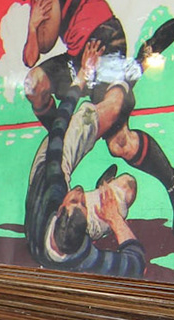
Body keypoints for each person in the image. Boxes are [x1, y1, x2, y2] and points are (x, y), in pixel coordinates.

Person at [2, 0, 174, 232]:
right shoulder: (37, 0)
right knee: (34, 84)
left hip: (103, 39)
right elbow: (31, 57)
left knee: (121, 144)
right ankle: (134, 69)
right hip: (79, 58)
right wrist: (32, 26)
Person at [24, 80, 155, 277]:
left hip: (45, 172)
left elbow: (58, 128)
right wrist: (114, 219)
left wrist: (78, 82)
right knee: (127, 187)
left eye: (75, 200)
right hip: (59, 221)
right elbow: (136, 266)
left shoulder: (53, 187)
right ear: (86, 232)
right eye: (84, 203)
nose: (79, 193)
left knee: (100, 114)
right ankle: (122, 80)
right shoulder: (84, 255)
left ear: (59, 210)